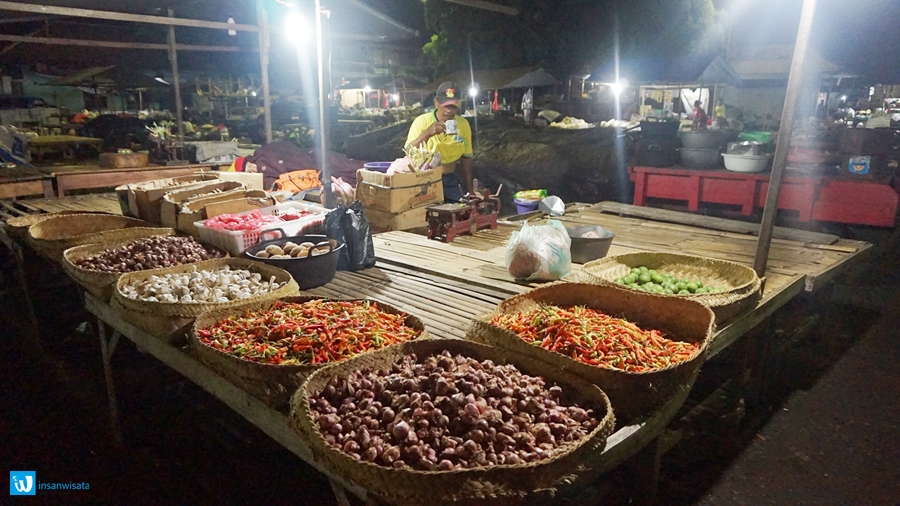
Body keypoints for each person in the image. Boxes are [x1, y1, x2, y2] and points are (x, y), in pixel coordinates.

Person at [405, 81, 474, 202]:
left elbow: (466, 158)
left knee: (461, 211)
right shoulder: (422, 121)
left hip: (450, 180)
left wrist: (470, 190)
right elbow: (408, 151)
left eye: (453, 106)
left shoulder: (463, 124)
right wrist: (427, 133)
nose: (449, 110)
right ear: (436, 102)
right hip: (424, 180)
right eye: (446, 105)